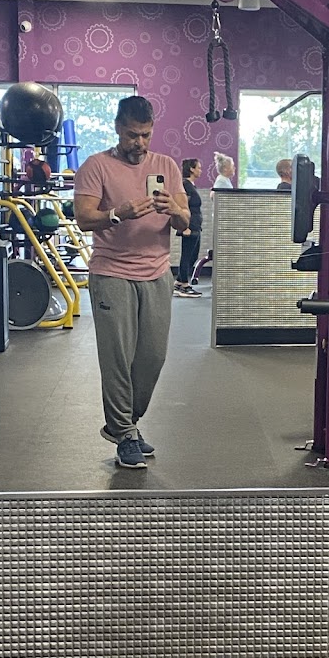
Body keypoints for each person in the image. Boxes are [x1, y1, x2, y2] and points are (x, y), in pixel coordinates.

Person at [73, 95, 190, 469]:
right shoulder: (96, 166)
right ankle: (124, 433)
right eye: (131, 135)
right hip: (112, 273)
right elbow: (84, 218)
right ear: (117, 129)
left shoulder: (166, 166)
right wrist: (117, 214)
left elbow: (186, 221)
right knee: (117, 359)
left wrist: (175, 210)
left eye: (145, 135)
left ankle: (125, 424)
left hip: (157, 273)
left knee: (152, 357)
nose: (139, 143)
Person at [175, 157, 203, 298]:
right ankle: (184, 285)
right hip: (189, 226)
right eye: (198, 168)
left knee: (193, 256)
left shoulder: (191, 185)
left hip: (196, 226)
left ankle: (179, 281)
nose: (200, 170)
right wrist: (185, 227)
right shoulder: (185, 185)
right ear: (191, 169)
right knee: (187, 256)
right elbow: (182, 206)